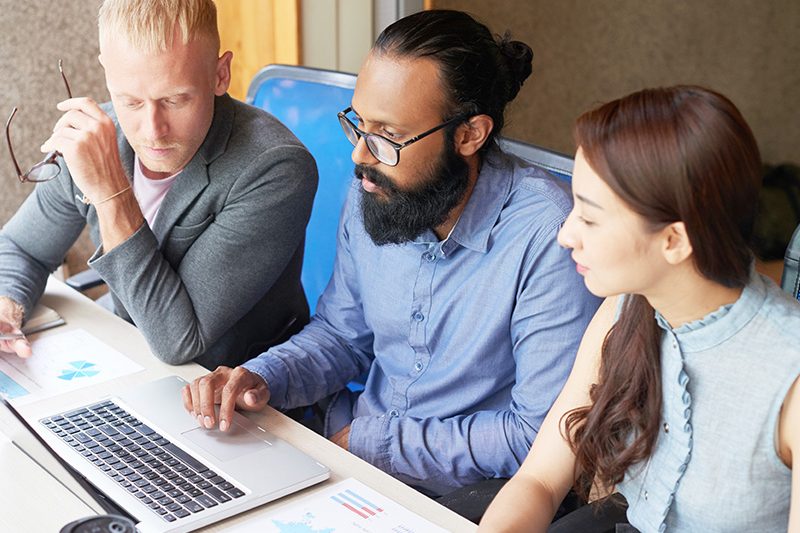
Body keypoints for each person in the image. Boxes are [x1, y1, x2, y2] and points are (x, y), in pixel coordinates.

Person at [182, 9, 599, 498]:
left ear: (470, 134)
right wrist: (262, 377)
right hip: (345, 449)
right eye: (359, 123)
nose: (360, 153)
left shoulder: (550, 236)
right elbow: (343, 336)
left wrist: (374, 444)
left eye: (390, 135)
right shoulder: (377, 186)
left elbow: (539, 434)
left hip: (468, 493)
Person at [479, 85, 800, 532]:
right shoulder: (625, 308)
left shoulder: (789, 376)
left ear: (674, 240)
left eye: (590, 218)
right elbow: (539, 479)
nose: (566, 234)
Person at [0, 0, 317, 369]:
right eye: (130, 101)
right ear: (107, 74)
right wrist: (8, 303)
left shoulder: (277, 168)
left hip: (230, 396)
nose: (153, 131)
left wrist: (111, 192)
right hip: (127, 361)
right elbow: (22, 247)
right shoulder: (100, 136)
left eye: (175, 99)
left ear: (220, 74)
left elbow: (181, 342)